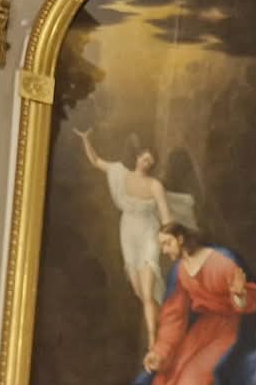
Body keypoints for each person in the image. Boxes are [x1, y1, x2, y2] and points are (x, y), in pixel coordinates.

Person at [120, 223, 256, 385]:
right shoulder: (180, 270)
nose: (164, 250)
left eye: (167, 243)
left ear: (180, 239)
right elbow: (174, 317)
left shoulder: (221, 262)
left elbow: (254, 300)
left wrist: (239, 295)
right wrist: (160, 352)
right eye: (161, 245)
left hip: (233, 328)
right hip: (204, 328)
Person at [78, 129, 197, 356]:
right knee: (140, 292)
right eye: (144, 157)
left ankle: (153, 342)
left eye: (150, 160)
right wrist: (86, 140)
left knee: (148, 290)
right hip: (128, 233)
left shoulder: (155, 186)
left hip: (148, 233)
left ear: (153, 164)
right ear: (137, 157)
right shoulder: (119, 173)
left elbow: (166, 218)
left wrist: (174, 242)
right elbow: (95, 161)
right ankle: (173, 330)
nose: (146, 162)